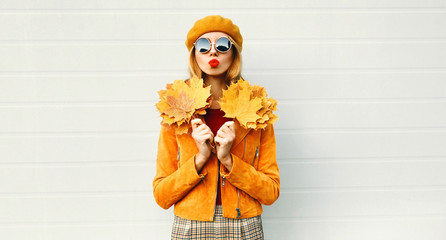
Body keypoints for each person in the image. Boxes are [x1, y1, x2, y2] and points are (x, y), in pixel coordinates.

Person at [153, 15, 280, 240]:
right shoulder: (176, 109)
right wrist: (200, 159)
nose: (213, 52)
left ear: (234, 54)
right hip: (190, 226)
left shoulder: (257, 109)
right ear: (194, 55)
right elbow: (162, 196)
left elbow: (271, 192)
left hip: (244, 225)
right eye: (203, 46)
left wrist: (229, 161)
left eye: (222, 45)